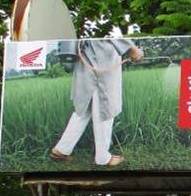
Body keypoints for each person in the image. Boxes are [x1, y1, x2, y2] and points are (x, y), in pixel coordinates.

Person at [49, 38, 144, 167]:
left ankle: (61, 150)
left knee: (84, 109)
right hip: (100, 63)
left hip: (89, 62)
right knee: (105, 108)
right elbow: (109, 31)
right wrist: (132, 48)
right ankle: (102, 157)